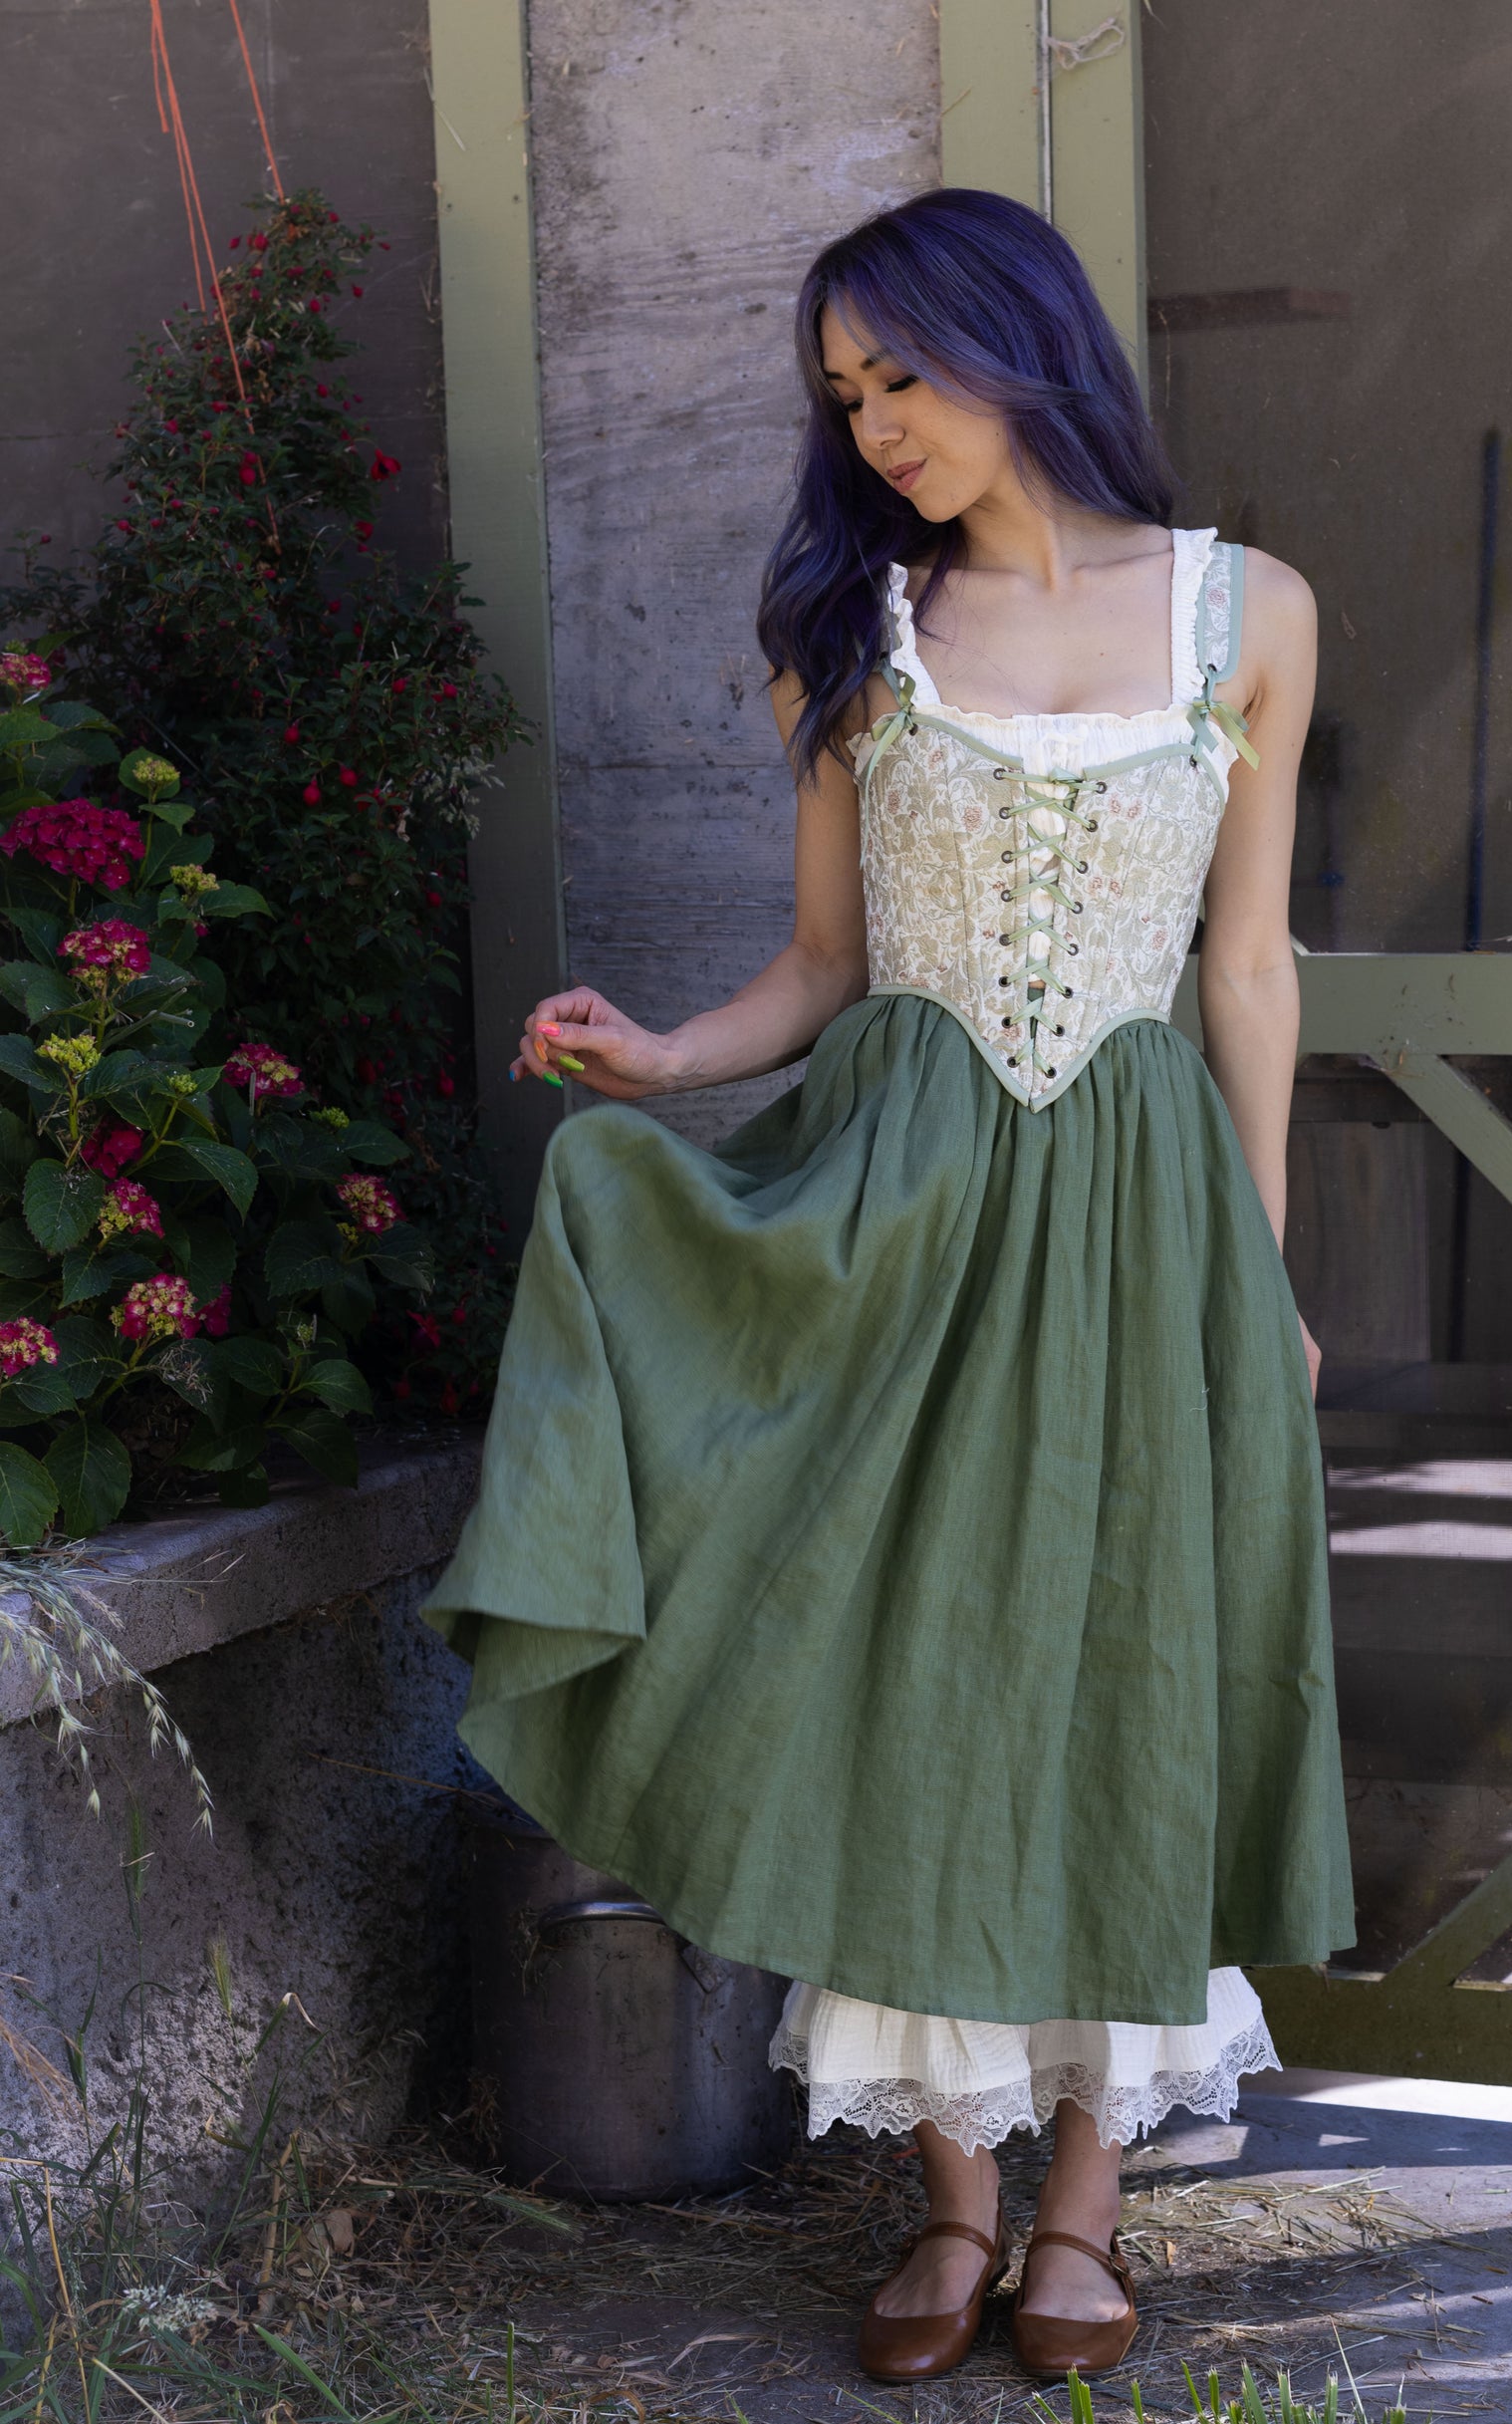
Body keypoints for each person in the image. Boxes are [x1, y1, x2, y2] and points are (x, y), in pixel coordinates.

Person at [424, 186, 1353, 2384]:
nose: (875, 425)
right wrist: (657, 1058)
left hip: (1140, 1214)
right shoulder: (854, 632)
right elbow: (829, 972)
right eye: (845, 397)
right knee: (914, 1664)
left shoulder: (1253, 612)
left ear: (1011, 337)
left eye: (900, 375)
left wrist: (1270, 1264)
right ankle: (948, 2198)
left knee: (1117, 1663)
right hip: (899, 1201)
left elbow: (1243, 964)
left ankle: (1087, 2211)